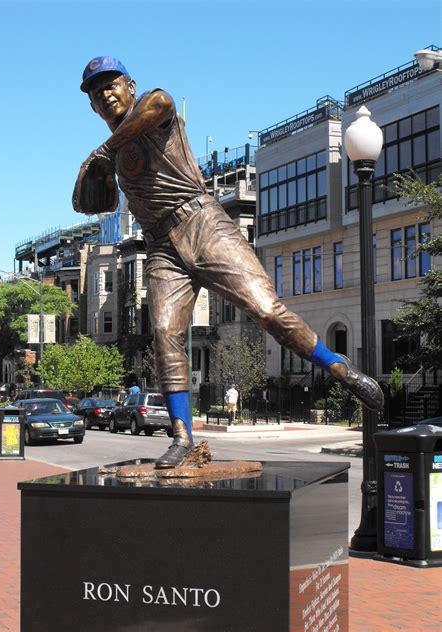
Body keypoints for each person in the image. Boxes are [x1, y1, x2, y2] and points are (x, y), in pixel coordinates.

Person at [74, 56, 384, 469]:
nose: (105, 94)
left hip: (202, 222)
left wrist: (104, 150)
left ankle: (341, 370)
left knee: (266, 310)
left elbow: (161, 104)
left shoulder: (152, 108)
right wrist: (90, 170)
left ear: (130, 86)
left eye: (111, 85)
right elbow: (92, 203)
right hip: (161, 247)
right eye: (97, 93)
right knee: (165, 334)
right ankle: (182, 437)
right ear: (93, 107)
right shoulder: (110, 152)